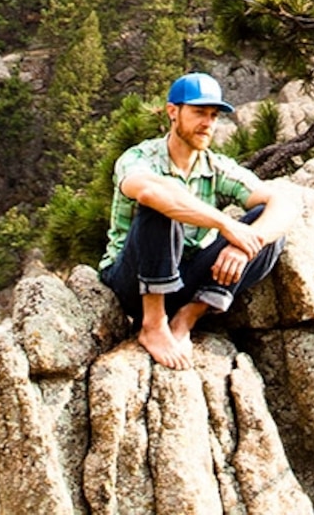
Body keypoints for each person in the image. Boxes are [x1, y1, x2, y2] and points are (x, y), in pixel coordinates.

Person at [99, 73, 286, 367]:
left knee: (269, 231)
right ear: (173, 112)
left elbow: (281, 202)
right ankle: (153, 324)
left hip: (186, 280)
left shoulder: (216, 166)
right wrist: (227, 225)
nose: (208, 123)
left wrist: (246, 244)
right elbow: (150, 191)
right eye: (199, 113)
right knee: (160, 206)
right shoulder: (140, 158)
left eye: (213, 116)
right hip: (133, 280)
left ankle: (188, 316)